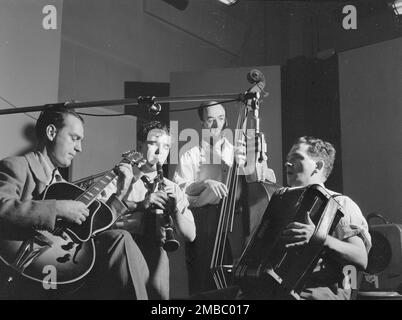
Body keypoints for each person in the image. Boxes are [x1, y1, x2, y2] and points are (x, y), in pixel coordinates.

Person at [0, 106, 149, 300]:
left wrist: (121, 193)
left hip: (64, 270)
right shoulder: (17, 166)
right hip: (24, 266)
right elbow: (3, 206)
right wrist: (58, 209)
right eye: (74, 138)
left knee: (119, 239)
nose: (79, 148)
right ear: (51, 132)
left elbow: (93, 229)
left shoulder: (63, 185)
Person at [173, 101, 276, 296]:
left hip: (236, 222)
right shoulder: (190, 153)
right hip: (204, 221)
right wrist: (205, 183)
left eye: (220, 119)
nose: (216, 125)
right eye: (210, 120)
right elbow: (180, 190)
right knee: (202, 280)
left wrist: (257, 163)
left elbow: (260, 178)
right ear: (202, 123)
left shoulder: (236, 150)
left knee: (236, 279)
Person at [101, 120, 195, 300]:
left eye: (166, 147)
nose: (160, 152)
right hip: (124, 252)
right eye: (153, 144)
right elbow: (99, 224)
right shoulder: (120, 179)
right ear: (140, 146)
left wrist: (174, 212)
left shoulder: (172, 188)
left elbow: (191, 235)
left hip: (158, 256)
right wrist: (141, 207)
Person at [281, 136, 371, 300]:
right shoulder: (282, 203)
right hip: (278, 291)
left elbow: (360, 257)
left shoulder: (339, 203)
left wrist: (318, 238)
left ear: (318, 166)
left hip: (315, 294)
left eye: (297, 158)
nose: (287, 164)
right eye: (288, 160)